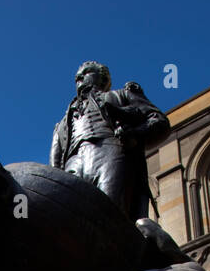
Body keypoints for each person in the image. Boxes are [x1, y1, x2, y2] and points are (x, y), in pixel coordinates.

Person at [50, 62, 169, 221]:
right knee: (71, 218)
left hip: (111, 152)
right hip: (73, 163)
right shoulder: (62, 124)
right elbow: (55, 165)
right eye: (77, 77)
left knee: (108, 212)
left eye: (86, 73)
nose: (79, 78)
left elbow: (159, 120)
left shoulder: (122, 95)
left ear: (102, 78)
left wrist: (134, 133)